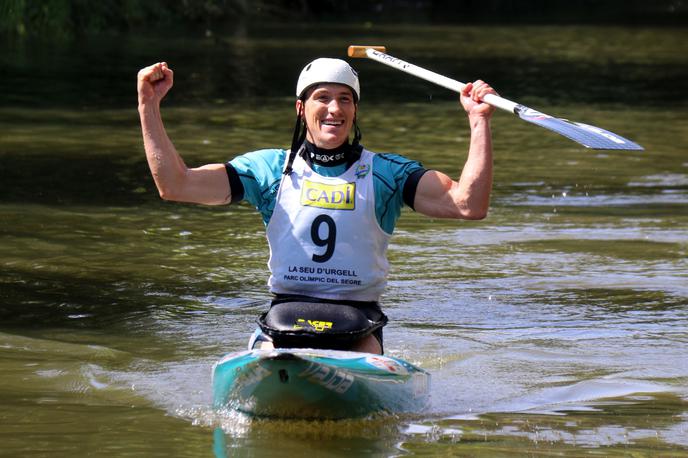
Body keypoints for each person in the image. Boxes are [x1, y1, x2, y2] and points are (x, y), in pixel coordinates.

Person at [137, 58, 496, 355]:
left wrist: (478, 121)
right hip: (285, 313)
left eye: (345, 99)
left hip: (359, 321)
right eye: (322, 98)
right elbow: (176, 185)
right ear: (300, 108)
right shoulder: (267, 170)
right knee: (265, 358)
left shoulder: (387, 173)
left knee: (365, 359)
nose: (334, 109)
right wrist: (148, 106)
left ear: (355, 110)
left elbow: (468, 205)